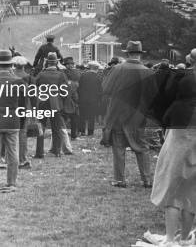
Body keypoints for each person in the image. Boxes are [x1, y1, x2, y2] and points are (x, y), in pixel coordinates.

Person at [150, 53, 196, 245]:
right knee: (192, 193)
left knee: (172, 191)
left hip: (179, 142)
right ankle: (185, 238)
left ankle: (170, 238)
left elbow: (159, 107)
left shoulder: (178, 103)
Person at [103, 40, 155, 188]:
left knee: (118, 148)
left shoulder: (117, 69)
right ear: (140, 54)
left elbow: (105, 89)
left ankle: (120, 180)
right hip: (139, 115)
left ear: (128, 53)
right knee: (142, 147)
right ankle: (147, 180)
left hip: (118, 113)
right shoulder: (148, 71)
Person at [0, 50, 26, 191]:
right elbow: (23, 99)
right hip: (11, 121)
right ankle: (11, 182)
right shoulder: (17, 81)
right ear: (11, 64)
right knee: (13, 152)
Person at [34, 53, 72, 157]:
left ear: (47, 62)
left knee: (41, 128)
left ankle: (39, 152)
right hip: (56, 104)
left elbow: (33, 86)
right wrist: (62, 102)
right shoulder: (61, 75)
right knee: (56, 128)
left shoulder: (41, 74)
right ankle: (57, 151)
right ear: (56, 62)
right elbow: (65, 92)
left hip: (43, 103)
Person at [77, 61, 103, 136]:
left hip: (83, 99)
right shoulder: (98, 77)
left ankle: (82, 131)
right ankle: (90, 132)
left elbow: (79, 87)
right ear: (96, 68)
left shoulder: (83, 75)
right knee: (92, 116)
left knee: (82, 115)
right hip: (94, 100)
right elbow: (100, 90)